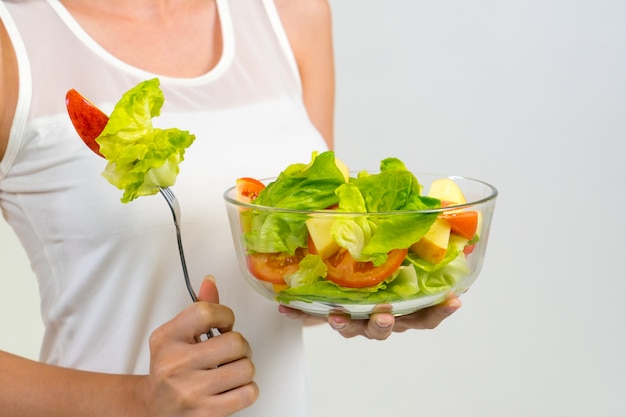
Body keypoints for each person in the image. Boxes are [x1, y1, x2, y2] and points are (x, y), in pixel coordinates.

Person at [0, 0, 461, 416]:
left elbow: (307, 263)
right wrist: (136, 398)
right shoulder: (14, 41)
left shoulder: (291, 13)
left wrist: (372, 295)